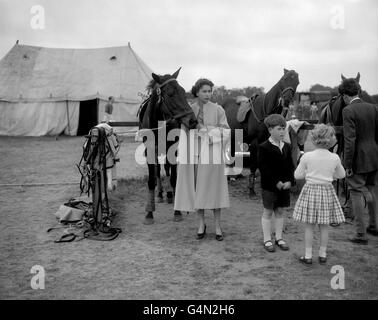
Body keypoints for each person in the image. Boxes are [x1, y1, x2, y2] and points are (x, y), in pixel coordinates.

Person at [174, 78, 230, 241]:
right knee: (198, 189)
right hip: (195, 155)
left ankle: (218, 225)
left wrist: (208, 132)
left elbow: (226, 130)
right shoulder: (189, 109)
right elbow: (183, 132)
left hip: (212, 155)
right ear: (196, 92)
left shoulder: (218, 109)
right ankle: (201, 223)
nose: (208, 94)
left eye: (209, 91)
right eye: (204, 91)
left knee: (214, 190)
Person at [293, 124, 345, 264]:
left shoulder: (308, 156)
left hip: (310, 190)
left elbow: (297, 175)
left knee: (309, 225)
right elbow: (342, 174)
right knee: (324, 226)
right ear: (330, 140)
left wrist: (308, 173)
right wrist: (330, 174)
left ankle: (308, 256)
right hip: (327, 191)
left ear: (315, 138)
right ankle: (322, 254)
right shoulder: (334, 157)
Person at [341, 79, 378, 244]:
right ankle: (374, 226)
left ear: (345, 96)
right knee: (371, 190)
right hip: (374, 156)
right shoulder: (373, 107)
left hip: (358, 158)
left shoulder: (348, 110)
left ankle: (360, 234)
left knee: (356, 192)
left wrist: (347, 164)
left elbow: (350, 141)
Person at [257, 114, 294, 252]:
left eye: (284, 128)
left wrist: (290, 181)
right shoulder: (263, 147)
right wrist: (276, 182)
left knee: (280, 211)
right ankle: (267, 239)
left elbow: (290, 166)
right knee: (268, 211)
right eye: (279, 129)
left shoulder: (287, 147)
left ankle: (279, 238)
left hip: (285, 185)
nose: (282, 132)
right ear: (270, 130)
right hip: (269, 186)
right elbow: (264, 168)